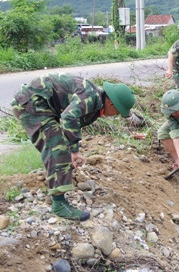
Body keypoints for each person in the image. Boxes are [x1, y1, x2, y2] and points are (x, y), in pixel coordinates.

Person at [11, 73, 136, 221]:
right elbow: (68, 117)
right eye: (118, 112)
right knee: (57, 149)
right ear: (111, 104)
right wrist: (75, 150)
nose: (116, 115)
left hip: (43, 105)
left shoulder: (96, 100)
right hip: (33, 104)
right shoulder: (91, 98)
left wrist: (71, 147)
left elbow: (72, 121)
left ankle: (55, 181)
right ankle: (59, 205)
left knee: (61, 145)